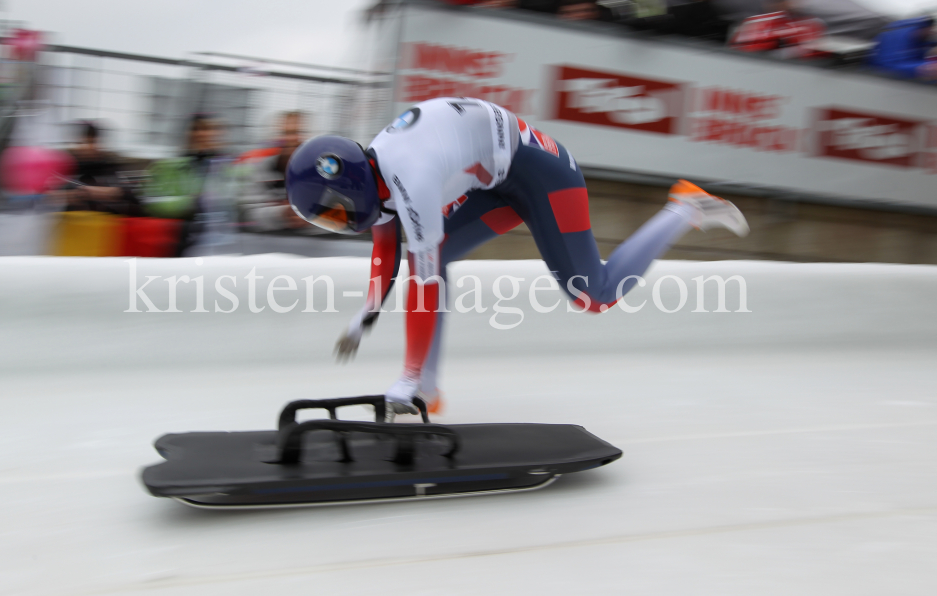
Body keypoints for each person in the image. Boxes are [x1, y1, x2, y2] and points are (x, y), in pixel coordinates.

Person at [286, 97, 748, 418]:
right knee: (433, 253)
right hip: (498, 178)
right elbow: (386, 249)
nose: (336, 221)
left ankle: (684, 207)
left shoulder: (413, 177)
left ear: (347, 186)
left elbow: (421, 285)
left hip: (544, 175)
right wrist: (365, 315)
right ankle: (428, 388)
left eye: (332, 211)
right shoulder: (377, 171)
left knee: (595, 295)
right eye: (325, 219)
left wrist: (402, 376)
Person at [144, 113, 238, 256]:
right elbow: (153, 203)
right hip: (177, 242)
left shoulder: (232, 168)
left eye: (209, 129)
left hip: (220, 245)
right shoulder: (167, 167)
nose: (202, 134)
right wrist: (193, 202)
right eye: (196, 129)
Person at [236, 111, 307, 232]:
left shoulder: (322, 173)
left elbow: (338, 218)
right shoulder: (259, 169)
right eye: (285, 133)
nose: (291, 139)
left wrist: (312, 216)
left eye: (297, 132)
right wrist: (282, 213)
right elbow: (246, 214)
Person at [729, 0, 825, 60]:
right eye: (775, 1)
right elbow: (742, 52)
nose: (781, 4)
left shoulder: (809, 24)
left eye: (784, 0)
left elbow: (811, 53)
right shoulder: (754, 22)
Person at [868, 16, 937, 81]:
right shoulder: (896, 37)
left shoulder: (922, 39)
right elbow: (888, 66)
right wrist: (923, 67)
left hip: (912, 75)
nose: (932, 32)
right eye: (930, 29)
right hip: (883, 79)